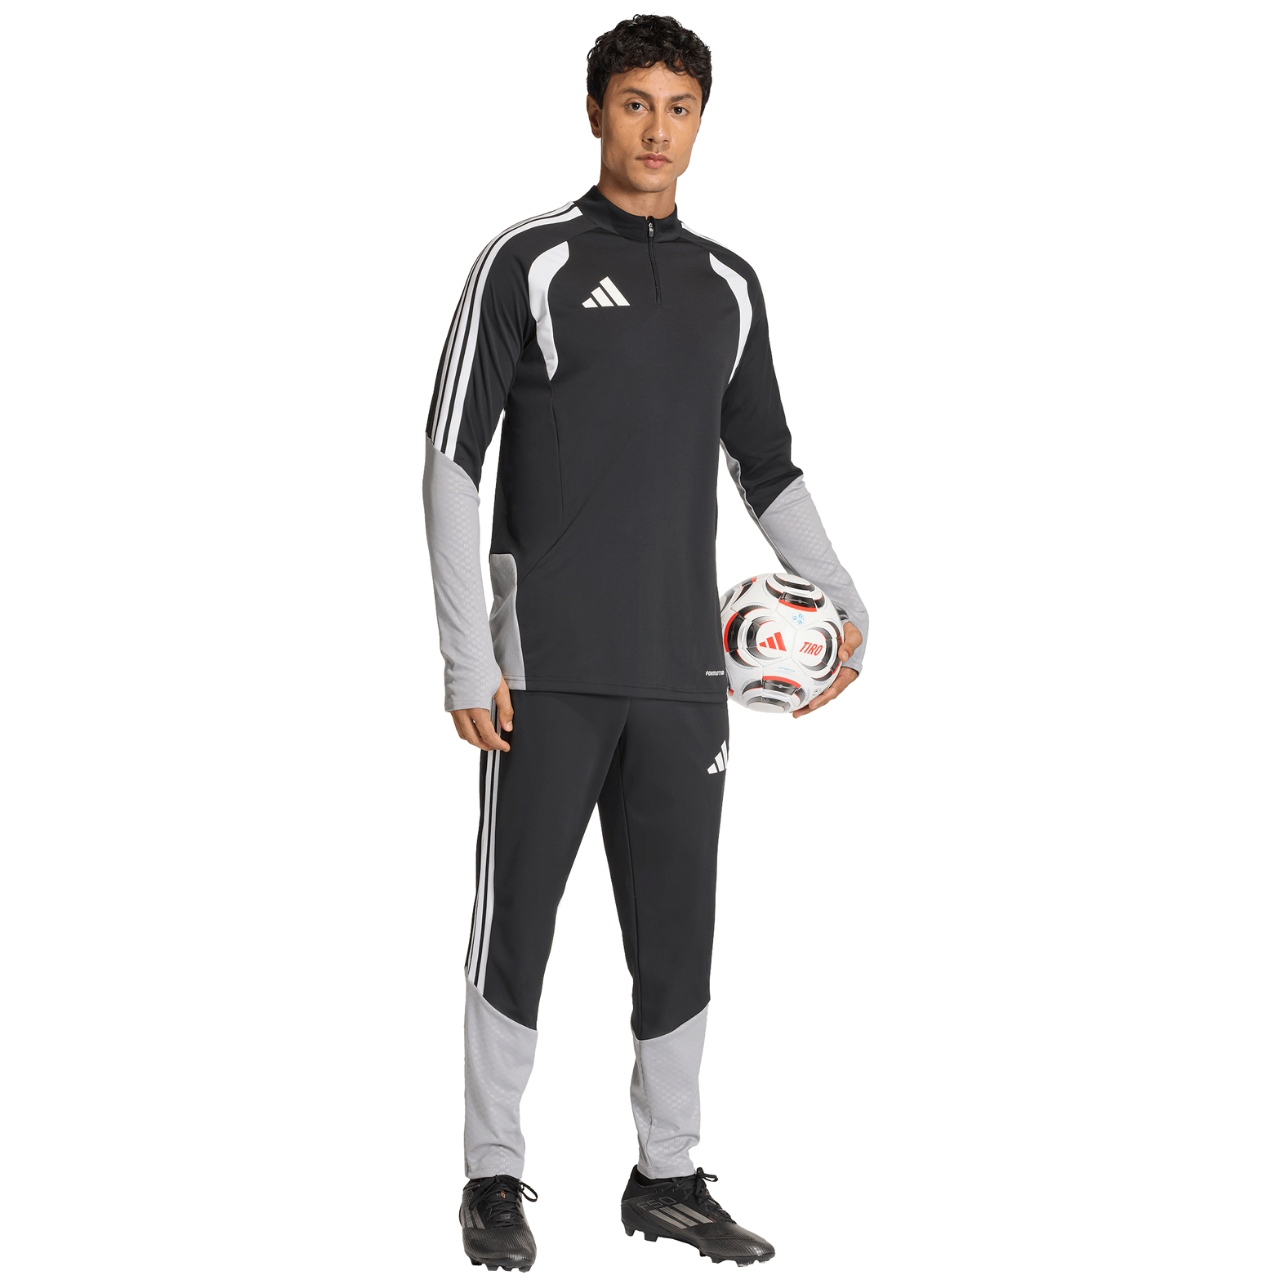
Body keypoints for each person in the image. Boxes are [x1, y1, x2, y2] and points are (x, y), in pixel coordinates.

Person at [422, 14, 868, 1271]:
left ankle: (666, 1175)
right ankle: (492, 1173)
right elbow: (448, 459)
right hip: (546, 671)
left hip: (685, 673)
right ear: (594, 113)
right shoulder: (527, 260)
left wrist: (845, 606)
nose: (656, 129)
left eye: (678, 106)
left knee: (678, 932)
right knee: (516, 925)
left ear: (700, 119)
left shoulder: (729, 282)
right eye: (634, 103)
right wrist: (466, 653)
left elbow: (765, 463)